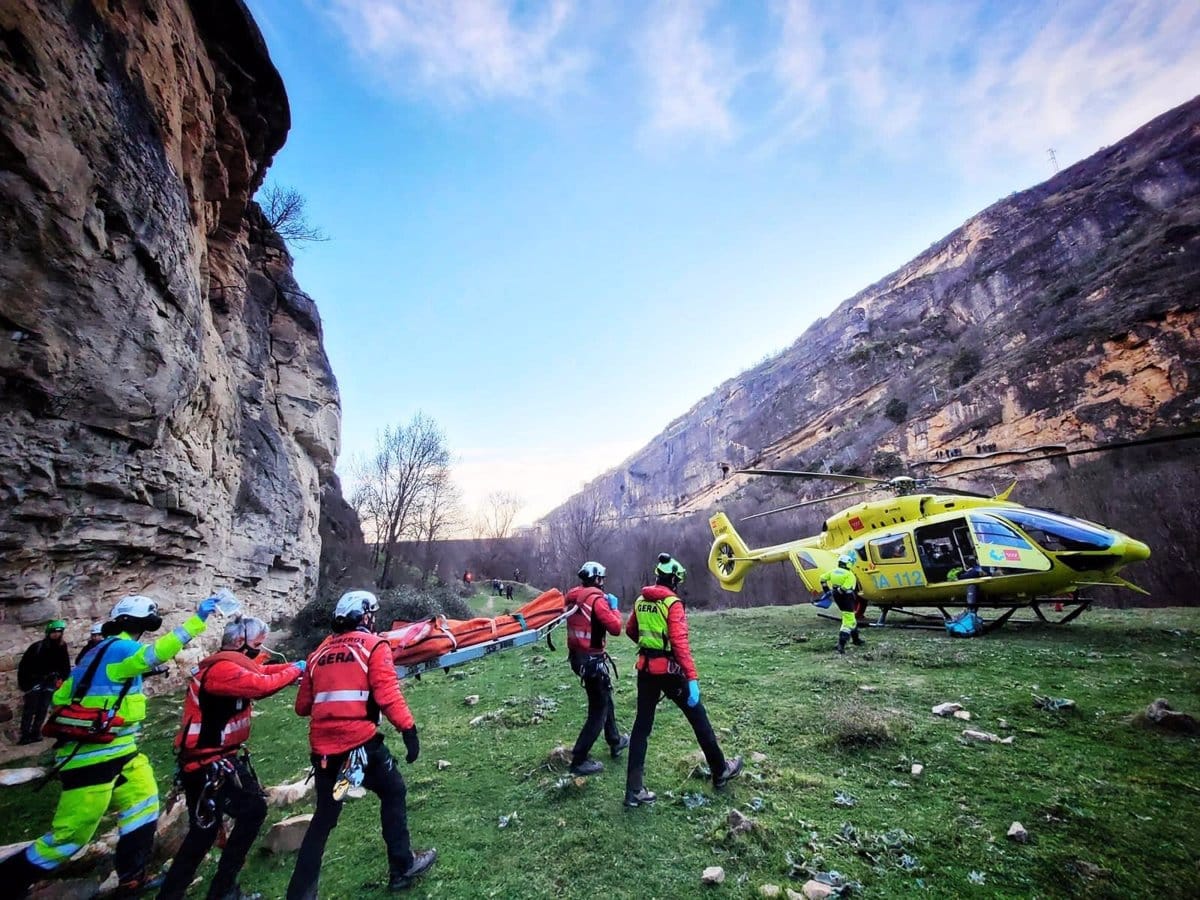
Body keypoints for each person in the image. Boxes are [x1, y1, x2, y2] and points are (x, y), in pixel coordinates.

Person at [0, 594, 216, 898]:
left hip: (120, 750)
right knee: (70, 836)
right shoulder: (123, 648)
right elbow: (157, 653)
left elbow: (62, 698)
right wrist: (198, 620)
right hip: (93, 757)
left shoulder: (95, 652)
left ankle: (131, 878)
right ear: (137, 622)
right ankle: (9, 881)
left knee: (143, 803)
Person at [286, 591, 436, 898]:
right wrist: (409, 730)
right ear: (364, 616)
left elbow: (302, 707)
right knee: (393, 791)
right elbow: (387, 694)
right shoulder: (373, 646)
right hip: (360, 747)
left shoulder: (319, 653)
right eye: (372, 613)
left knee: (324, 818)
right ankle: (402, 867)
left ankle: (300, 893)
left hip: (324, 754)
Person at [157, 616, 306, 900]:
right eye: (257, 645)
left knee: (207, 831)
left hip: (215, 761)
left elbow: (262, 671)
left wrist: (296, 667)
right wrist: (295, 670)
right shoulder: (223, 670)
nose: (261, 650)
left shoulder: (229, 665)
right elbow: (259, 685)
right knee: (244, 814)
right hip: (207, 765)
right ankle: (221, 890)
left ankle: (201, 891)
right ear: (240, 642)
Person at [623, 554, 742, 808]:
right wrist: (692, 677)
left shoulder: (640, 599)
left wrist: (649, 648)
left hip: (645, 670)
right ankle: (720, 770)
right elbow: (679, 643)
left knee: (641, 728)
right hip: (669, 671)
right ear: (674, 580)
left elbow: (631, 630)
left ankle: (633, 791)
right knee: (697, 716)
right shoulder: (672, 603)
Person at [564, 562, 628, 776]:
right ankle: (579, 759)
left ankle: (615, 740)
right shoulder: (596, 601)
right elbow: (616, 628)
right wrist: (614, 608)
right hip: (592, 662)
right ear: (598, 579)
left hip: (578, 658)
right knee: (598, 711)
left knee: (604, 698)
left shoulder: (574, 597)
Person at [16, 619, 71, 744]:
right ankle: (25, 735)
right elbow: (24, 666)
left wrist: (63, 678)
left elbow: (65, 665)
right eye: (54, 632)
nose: (56, 634)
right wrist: (25, 684)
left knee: (43, 708)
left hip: (50, 681)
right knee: (30, 709)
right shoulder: (38, 647)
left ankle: (36, 732)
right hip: (35, 681)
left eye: (59, 632)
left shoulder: (62, 647)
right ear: (48, 633)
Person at [821, 554, 865, 654]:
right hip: (847, 598)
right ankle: (841, 644)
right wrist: (841, 591)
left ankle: (856, 639)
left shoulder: (833, 571)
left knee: (850, 616)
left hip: (837, 597)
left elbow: (822, 578)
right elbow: (847, 587)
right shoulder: (849, 575)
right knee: (848, 620)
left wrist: (827, 590)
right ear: (848, 564)